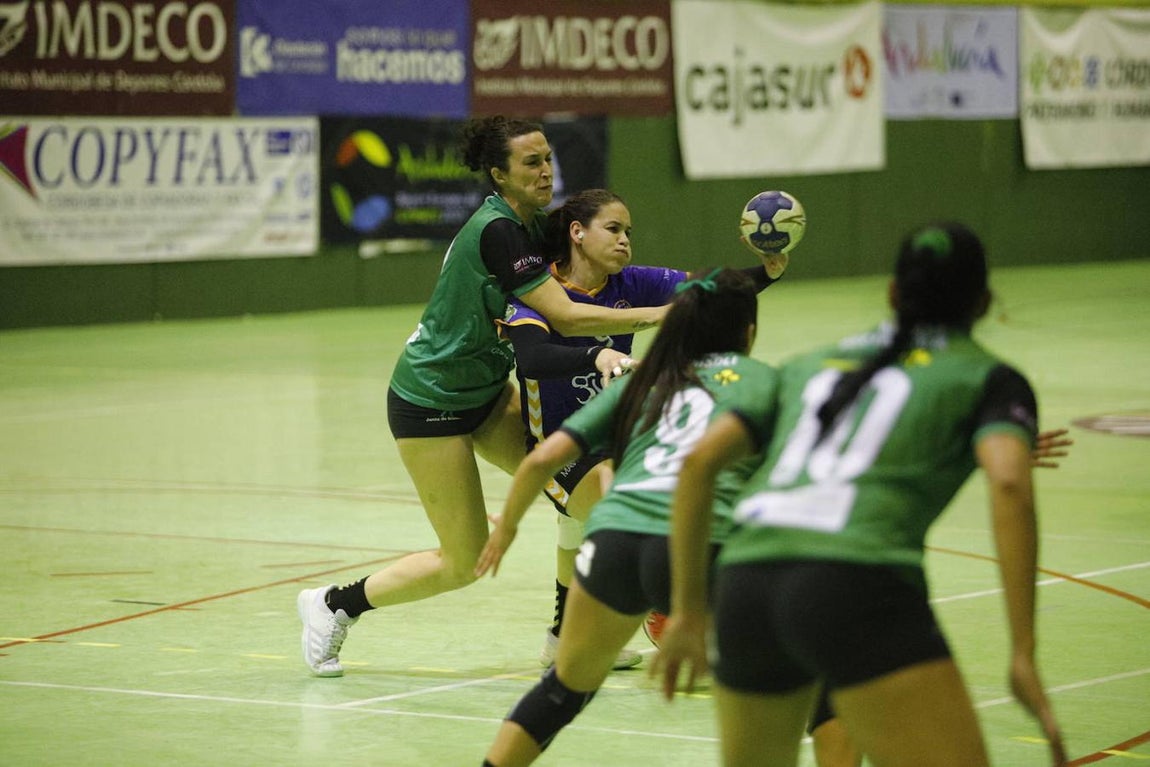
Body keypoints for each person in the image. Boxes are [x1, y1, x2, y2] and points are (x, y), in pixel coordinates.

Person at [653, 222, 1067, 767]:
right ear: (985, 301)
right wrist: (1023, 653)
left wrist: (685, 612)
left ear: (892, 294)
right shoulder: (988, 378)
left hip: (747, 584)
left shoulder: (809, 364)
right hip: (857, 582)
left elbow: (699, 463)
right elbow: (1009, 482)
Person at [295, 116, 668, 678]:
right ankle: (333, 605)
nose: (546, 172)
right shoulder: (499, 232)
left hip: (488, 392)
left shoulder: (532, 226)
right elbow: (563, 315)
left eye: (548, 160)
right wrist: (665, 316)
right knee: (464, 560)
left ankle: (566, 636)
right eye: (530, 164)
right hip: (431, 400)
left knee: (575, 487)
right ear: (498, 173)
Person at [475, 269, 780, 766]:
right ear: (747, 333)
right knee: (806, 678)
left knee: (563, 690)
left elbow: (538, 460)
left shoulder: (644, 382)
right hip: (700, 546)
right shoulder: (764, 382)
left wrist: (506, 528)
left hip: (613, 543)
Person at [500, 189, 788, 669]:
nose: (625, 241)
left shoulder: (632, 282)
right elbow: (532, 357)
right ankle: (667, 609)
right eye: (613, 229)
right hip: (560, 446)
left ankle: (563, 639)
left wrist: (766, 271)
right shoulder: (538, 290)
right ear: (577, 233)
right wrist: (596, 353)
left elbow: (708, 292)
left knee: (579, 527)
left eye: (628, 232)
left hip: (620, 438)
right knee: (629, 511)